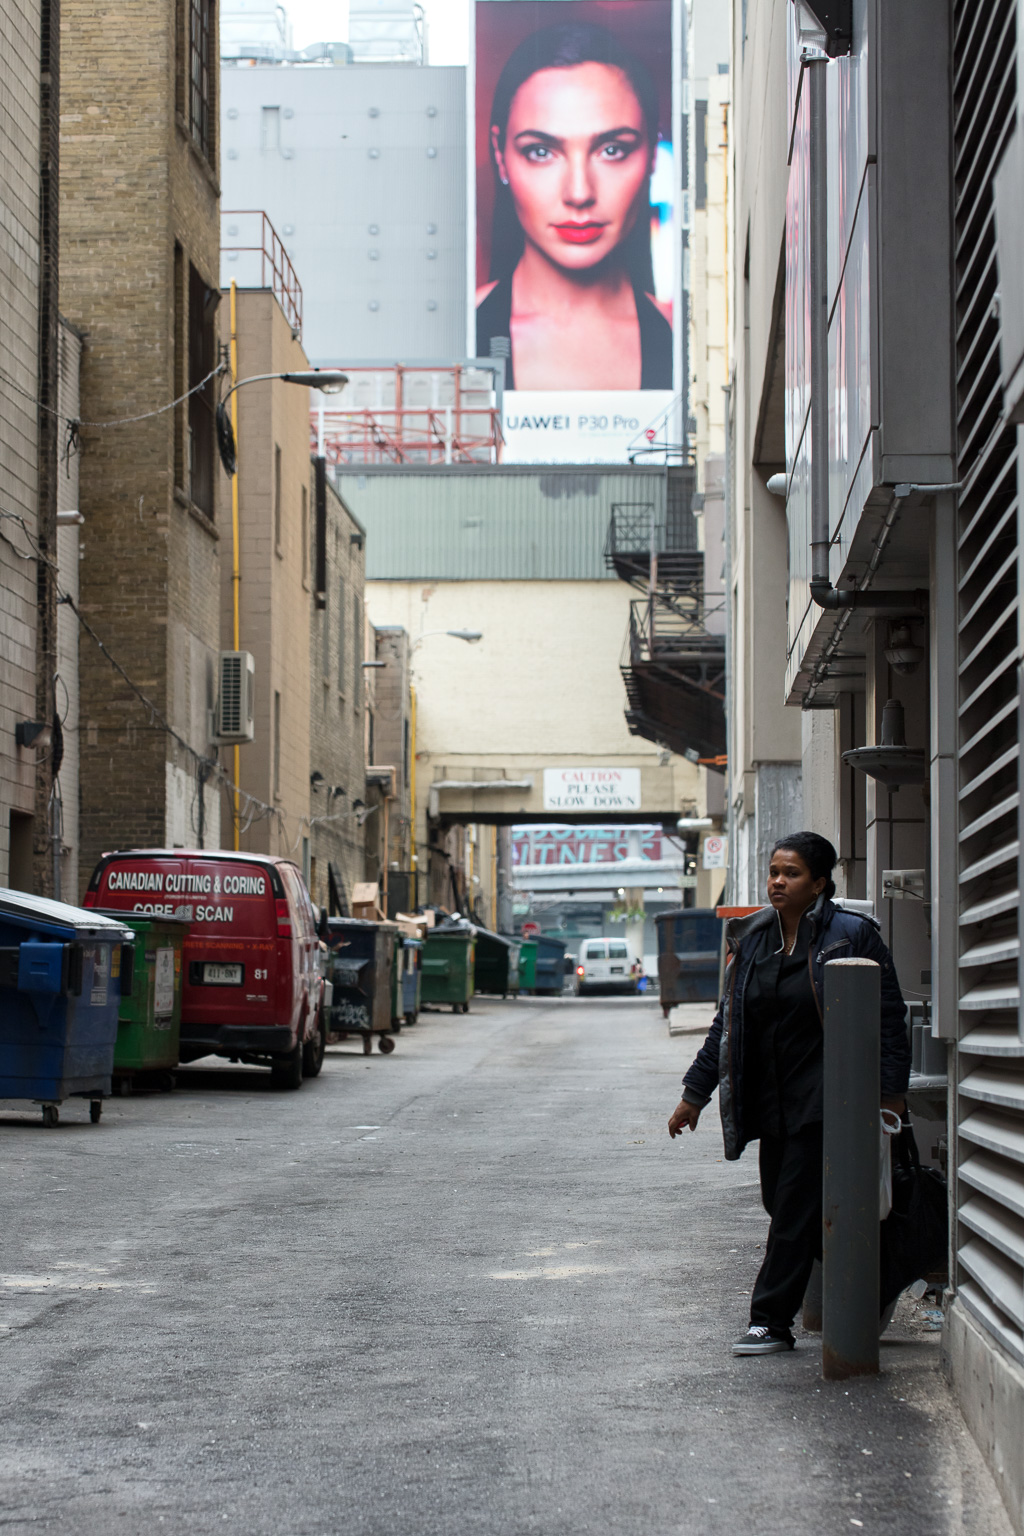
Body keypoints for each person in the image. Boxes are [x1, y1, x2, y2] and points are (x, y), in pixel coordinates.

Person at [667, 832, 910, 1356]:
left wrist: (891, 1092)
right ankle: (870, 1280)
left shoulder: (850, 937)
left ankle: (771, 1322)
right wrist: (695, 1092)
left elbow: (890, 1017)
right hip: (771, 1099)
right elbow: (726, 1025)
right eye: (774, 871)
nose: (778, 882)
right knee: (782, 1203)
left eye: (792, 873)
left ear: (820, 883)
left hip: (830, 1098)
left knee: (795, 1210)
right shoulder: (753, 937)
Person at [476, 20, 672, 390]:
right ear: (501, 157)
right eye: (541, 151)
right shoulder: (457, 333)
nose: (579, 192)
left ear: (651, 156)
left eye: (612, 150)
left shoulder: (685, 343)